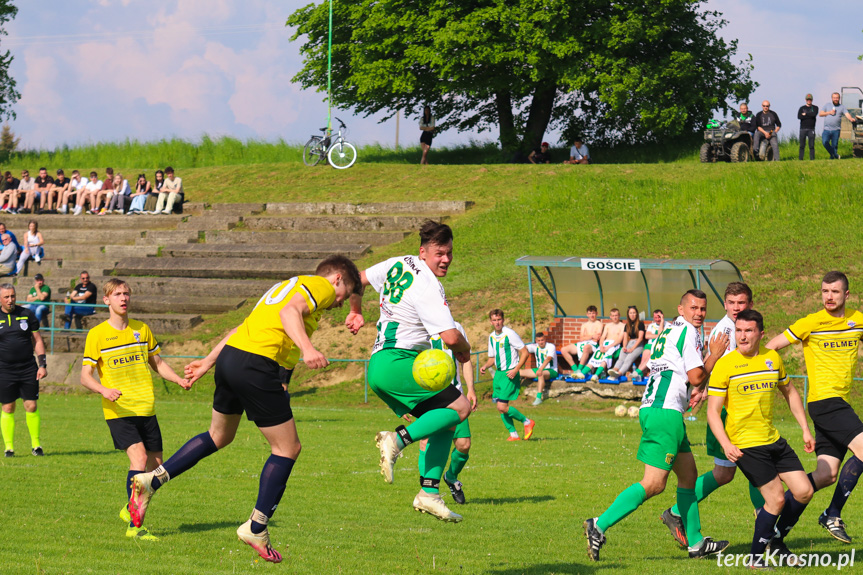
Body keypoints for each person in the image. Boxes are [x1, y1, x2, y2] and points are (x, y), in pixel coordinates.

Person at [128, 256, 360, 561]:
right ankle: (257, 526)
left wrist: (208, 362)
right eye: (345, 293)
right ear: (338, 279)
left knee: (218, 436)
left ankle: (152, 479)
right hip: (255, 364)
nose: (340, 302)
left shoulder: (285, 287)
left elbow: (242, 327)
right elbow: (291, 313)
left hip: (232, 359)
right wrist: (308, 349)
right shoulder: (321, 286)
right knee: (287, 448)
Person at [584, 290, 730, 561]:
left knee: (688, 475)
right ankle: (599, 525)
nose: (699, 312)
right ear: (682, 309)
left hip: (661, 409)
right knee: (654, 483)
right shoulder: (687, 332)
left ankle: (696, 542)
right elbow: (697, 376)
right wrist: (716, 354)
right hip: (664, 413)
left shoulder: (672, 331)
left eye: (702, 308)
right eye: (693, 308)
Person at [345, 220, 473, 523]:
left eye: (450, 253)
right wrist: (465, 350)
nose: (445, 259)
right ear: (424, 252)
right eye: (440, 253)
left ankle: (429, 494)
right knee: (462, 407)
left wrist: (355, 310)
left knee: (445, 420)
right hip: (398, 363)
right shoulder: (428, 285)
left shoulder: (398, 263)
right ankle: (397, 440)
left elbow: (357, 279)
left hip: (380, 367)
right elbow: (451, 338)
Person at [80, 278, 192, 541]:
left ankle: (129, 507)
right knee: (139, 461)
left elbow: (158, 363)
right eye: (117, 294)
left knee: (156, 469)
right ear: (106, 300)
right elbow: (85, 376)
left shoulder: (142, 329)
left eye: (126, 293)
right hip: (119, 410)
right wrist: (104, 390)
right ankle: (135, 526)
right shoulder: (96, 335)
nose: (123, 298)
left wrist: (177, 379)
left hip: (146, 408)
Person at [659, 282, 766, 547]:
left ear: (749, 304)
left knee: (724, 473)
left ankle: (675, 512)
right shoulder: (724, 331)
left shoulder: (743, 325)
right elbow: (716, 368)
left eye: (741, 303)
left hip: (744, 408)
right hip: (730, 412)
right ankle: (765, 523)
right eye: (731, 303)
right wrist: (705, 390)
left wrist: (703, 391)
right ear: (726, 304)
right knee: (757, 463)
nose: (736, 308)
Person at [707, 309, 814, 568]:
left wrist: (805, 428)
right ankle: (755, 559)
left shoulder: (772, 358)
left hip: (772, 438)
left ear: (761, 334)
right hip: (746, 443)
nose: (742, 337)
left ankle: (775, 540)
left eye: (748, 331)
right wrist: (726, 444)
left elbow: (789, 392)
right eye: (739, 331)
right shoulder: (725, 364)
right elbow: (712, 412)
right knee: (776, 499)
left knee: (804, 491)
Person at [766, 270, 863, 544]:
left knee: (827, 474)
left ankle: (774, 529)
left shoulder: (858, 321)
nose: (828, 296)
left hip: (838, 403)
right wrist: (768, 378)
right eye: (824, 291)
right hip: (824, 402)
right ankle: (832, 514)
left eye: (834, 292)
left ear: (846, 295)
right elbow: (772, 347)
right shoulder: (811, 322)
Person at [418, 321, 477, 504]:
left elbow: (465, 360)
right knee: (425, 442)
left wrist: (471, 389)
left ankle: (451, 477)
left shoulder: (455, 328)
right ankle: (427, 492)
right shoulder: (419, 327)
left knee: (463, 445)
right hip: (429, 395)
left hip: (455, 396)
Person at [0, 283, 47, 457]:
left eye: (12, 296)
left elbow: (38, 340)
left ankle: (36, 445)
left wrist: (42, 364)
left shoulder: (26, 314)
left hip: (28, 368)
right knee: (8, 407)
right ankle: (9, 448)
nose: (10, 300)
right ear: (0, 299)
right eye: (6, 297)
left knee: (31, 405)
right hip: (4, 370)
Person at [480, 309, 534, 441]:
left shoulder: (510, 334)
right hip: (499, 375)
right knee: (501, 407)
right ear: (490, 321)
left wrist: (516, 369)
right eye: (494, 320)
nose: (497, 322)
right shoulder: (492, 337)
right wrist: (485, 366)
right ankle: (514, 434)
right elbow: (492, 358)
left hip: (509, 373)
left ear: (503, 320)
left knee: (502, 406)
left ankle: (527, 422)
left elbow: (525, 352)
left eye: (499, 319)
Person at [559, 305, 604, 378]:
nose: (591, 315)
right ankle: (576, 370)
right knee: (564, 350)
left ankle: (580, 369)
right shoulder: (584, 325)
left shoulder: (599, 324)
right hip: (582, 343)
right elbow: (581, 338)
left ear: (596, 313)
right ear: (587, 314)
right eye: (590, 313)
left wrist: (587, 336)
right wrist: (592, 336)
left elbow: (596, 338)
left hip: (593, 345)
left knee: (586, 348)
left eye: (593, 313)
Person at [583, 308, 625, 382]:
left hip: (614, 345)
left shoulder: (623, 326)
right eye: (613, 315)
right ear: (610, 316)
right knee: (596, 356)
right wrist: (601, 345)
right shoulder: (608, 325)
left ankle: (596, 375)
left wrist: (608, 347)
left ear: (619, 316)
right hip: (605, 344)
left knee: (606, 356)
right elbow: (602, 337)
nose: (615, 317)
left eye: (616, 315)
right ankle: (582, 373)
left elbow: (619, 340)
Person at [608, 306, 645, 383]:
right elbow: (625, 338)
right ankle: (613, 371)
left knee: (628, 359)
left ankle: (618, 374)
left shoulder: (640, 324)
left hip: (638, 345)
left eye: (634, 313)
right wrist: (624, 346)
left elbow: (640, 338)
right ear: (628, 314)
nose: (632, 315)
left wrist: (632, 348)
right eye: (630, 313)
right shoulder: (627, 325)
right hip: (629, 343)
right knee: (621, 356)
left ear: (636, 314)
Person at [630, 309, 669, 382]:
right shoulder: (651, 325)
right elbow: (647, 336)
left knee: (649, 357)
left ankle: (637, 372)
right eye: (655, 317)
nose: (657, 319)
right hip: (650, 345)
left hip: (659, 346)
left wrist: (662, 323)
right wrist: (658, 335)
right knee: (644, 359)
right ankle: (639, 375)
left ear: (662, 316)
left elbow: (661, 335)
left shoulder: (668, 325)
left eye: (659, 317)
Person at [520, 331, 558, 406]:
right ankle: (509, 391)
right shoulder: (535, 346)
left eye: (542, 340)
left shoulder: (551, 346)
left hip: (551, 370)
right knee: (518, 372)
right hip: (539, 369)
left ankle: (538, 398)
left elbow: (548, 358)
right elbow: (522, 348)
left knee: (540, 374)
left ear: (545, 339)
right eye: (539, 340)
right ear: (536, 341)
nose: (541, 342)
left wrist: (540, 369)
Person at [819, 92, 858, 160]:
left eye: (837, 98)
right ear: (832, 98)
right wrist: (829, 112)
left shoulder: (842, 107)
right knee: (825, 142)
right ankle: (835, 155)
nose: (836, 99)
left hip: (836, 130)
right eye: (834, 98)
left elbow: (847, 114)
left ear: (839, 98)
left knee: (834, 145)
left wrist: (850, 118)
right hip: (826, 129)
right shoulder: (827, 105)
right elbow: (820, 114)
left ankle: (832, 157)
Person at [797, 94, 818, 161]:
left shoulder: (815, 107)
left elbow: (814, 114)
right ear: (805, 100)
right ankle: (800, 159)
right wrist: (810, 115)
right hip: (803, 129)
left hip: (811, 129)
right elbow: (799, 117)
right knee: (802, 145)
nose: (809, 101)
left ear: (812, 100)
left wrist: (805, 114)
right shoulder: (801, 108)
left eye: (810, 99)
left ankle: (812, 159)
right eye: (807, 99)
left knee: (811, 145)